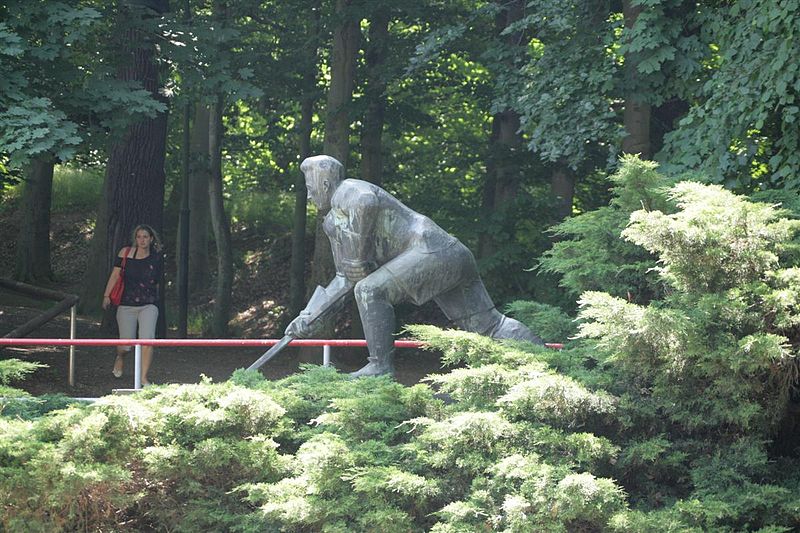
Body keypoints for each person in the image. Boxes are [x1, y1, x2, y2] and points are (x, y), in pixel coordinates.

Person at [286, 155, 543, 377]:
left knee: (369, 290)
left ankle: (379, 366)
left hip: (432, 250)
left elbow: (366, 201)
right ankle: (547, 366)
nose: (309, 196)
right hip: (449, 254)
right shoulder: (333, 224)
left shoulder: (349, 192)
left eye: (310, 188)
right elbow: (344, 278)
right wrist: (310, 316)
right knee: (489, 326)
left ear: (325, 184)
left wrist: (358, 258)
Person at [102, 224, 163, 386]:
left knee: (147, 340)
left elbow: (157, 282)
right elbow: (115, 276)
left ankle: (143, 377)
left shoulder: (157, 257)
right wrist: (106, 295)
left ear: (151, 239)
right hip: (126, 304)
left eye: (145, 237)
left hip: (148, 305)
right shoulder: (125, 253)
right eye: (139, 237)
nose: (142, 240)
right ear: (135, 239)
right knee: (125, 345)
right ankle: (120, 357)